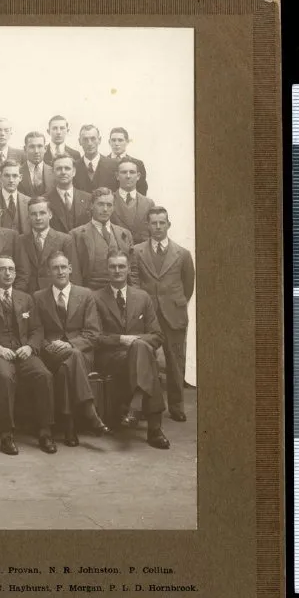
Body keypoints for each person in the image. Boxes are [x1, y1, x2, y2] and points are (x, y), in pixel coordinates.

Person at [0, 256, 56, 455]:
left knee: (44, 375)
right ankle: (6, 434)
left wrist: (29, 347)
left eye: (11, 269)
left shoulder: (26, 298)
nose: (8, 273)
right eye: (3, 269)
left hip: (23, 351)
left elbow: (37, 329)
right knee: (4, 377)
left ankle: (45, 432)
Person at [93, 251, 170, 449]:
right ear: (107, 269)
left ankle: (135, 407)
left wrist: (135, 342)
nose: (117, 270)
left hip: (139, 355)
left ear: (128, 269)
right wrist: (121, 339)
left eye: (121, 266)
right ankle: (154, 428)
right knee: (146, 359)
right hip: (112, 358)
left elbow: (158, 335)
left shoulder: (142, 297)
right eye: (112, 267)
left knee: (141, 351)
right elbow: (94, 336)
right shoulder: (96, 298)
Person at [32, 251, 110, 447]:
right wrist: (48, 346)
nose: (60, 272)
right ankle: (90, 413)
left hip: (81, 353)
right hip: (51, 353)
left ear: (70, 269)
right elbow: (36, 331)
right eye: (55, 268)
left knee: (69, 364)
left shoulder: (85, 295)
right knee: (68, 361)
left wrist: (71, 345)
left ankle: (69, 426)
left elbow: (93, 333)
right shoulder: (39, 297)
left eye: (63, 267)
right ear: (49, 272)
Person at [131, 206, 195, 423]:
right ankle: (144, 405)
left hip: (173, 315)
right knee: (145, 359)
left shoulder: (182, 254)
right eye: (153, 223)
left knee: (175, 361)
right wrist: (143, 307)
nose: (157, 227)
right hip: (146, 315)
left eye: (162, 223)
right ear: (147, 226)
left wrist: (174, 304)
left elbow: (188, 286)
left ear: (168, 224)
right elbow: (135, 282)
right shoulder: (137, 251)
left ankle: (177, 406)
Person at [70, 187, 136, 290]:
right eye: (100, 204)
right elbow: (74, 274)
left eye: (109, 205)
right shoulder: (76, 235)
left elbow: (132, 270)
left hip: (120, 292)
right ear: (91, 205)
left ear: (113, 207)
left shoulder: (125, 234)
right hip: (91, 293)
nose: (105, 209)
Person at [15, 196, 80, 293]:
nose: (38, 218)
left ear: (50, 215)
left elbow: (73, 274)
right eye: (33, 214)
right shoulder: (20, 240)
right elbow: (20, 273)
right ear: (28, 217)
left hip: (55, 294)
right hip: (28, 295)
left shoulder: (65, 240)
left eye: (42, 213)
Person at [110, 159, 156, 243]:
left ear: (138, 176)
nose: (128, 176)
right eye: (124, 172)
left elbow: (152, 233)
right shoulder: (109, 201)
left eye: (132, 172)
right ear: (117, 176)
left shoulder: (148, 203)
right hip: (116, 253)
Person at [47, 154, 92, 234]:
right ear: (53, 172)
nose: (63, 172)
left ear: (74, 172)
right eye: (59, 169)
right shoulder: (45, 200)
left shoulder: (88, 198)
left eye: (67, 168)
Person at [73, 125, 118, 193]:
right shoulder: (74, 167)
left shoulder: (114, 165)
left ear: (99, 140)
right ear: (79, 141)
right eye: (85, 139)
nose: (89, 143)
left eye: (93, 139)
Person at [108, 126, 149, 195]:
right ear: (109, 142)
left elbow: (142, 189)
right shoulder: (102, 162)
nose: (116, 144)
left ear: (127, 142)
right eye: (113, 140)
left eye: (120, 140)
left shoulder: (137, 164)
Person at [0, 161, 31, 235]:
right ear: (0, 177)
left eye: (15, 176)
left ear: (20, 178)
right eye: (7, 176)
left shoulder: (29, 202)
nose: (11, 180)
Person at [18, 132, 55, 198]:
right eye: (32, 147)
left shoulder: (54, 172)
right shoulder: (17, 172)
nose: (36, 151)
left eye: (40, 146)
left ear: (45, 148)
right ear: (25, 149)